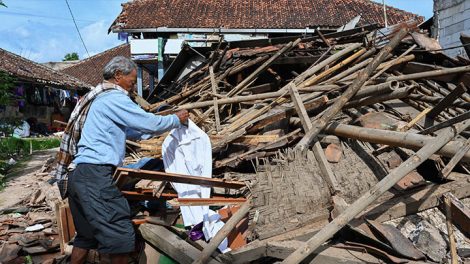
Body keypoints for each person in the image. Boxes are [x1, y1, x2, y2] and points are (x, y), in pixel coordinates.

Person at [66, 56, 188, 264]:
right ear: (118, 76)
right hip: (95, 175)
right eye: (132, 82)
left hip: (79, 176)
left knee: (86, 237)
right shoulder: (114, 97)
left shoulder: (101, 100)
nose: (133, 87)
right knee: (120, 236)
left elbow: (131, 129)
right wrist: (175, 120)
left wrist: (151, 131)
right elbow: (148, 122)